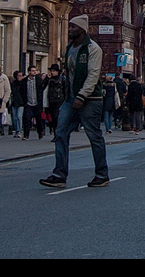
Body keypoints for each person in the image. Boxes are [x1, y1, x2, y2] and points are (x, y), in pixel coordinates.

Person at [39, 15, 109, 189]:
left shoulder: (93, 49)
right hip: (70, 99)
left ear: (82, 29)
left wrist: (82, 96)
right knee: (60, 133)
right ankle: (59, 174)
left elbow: (93, 75)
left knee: (94, 136)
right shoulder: (70, 48)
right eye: (69, 27)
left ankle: (102, 174)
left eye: (73, 27)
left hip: (90, 99)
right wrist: (71, 96)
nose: (69, 29)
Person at [22, 65, 47, 140]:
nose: (34, 72)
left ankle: (40, 132)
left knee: (38, 119)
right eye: (33, 71)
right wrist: (24, 101)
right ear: (29, 72)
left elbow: (42, 88)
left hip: (37, 102)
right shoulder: (24, 81)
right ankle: (26, 135)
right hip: (28, 103)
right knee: (27, 119)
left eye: (35, 70)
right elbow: (22, 91)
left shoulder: (38, 79)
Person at [45, 64, 67, 141]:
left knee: (57, 117)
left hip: (59, 100)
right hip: (51, 101)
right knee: (53, 119)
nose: (52, 72)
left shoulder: (62, 79)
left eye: (54, 71)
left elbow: (65, 90)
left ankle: (59, 134)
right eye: (51, 71)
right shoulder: (49, 80)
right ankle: (55, 134)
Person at [9, 70, 26, 137]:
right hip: (14, 102)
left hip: (21, 102)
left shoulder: (24, 84)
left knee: (19, 116)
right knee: (14, 118)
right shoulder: (13, 84)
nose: (18, 77)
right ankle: (16, 130)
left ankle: (19, 130)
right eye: (18, 76)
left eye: (20, 76)